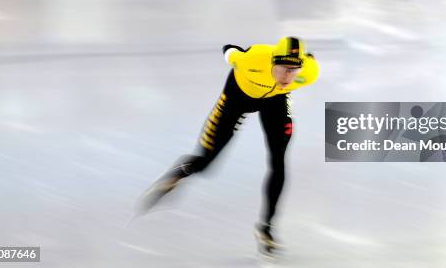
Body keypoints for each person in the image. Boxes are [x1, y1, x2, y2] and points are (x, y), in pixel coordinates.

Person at [136, 36, 319, 256]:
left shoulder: (309, 73)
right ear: (272, 62)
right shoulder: (252, 59)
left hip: (275, 103)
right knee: (206, 163)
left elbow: (308, 61)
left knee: (278, 163)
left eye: (294, 69)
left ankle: (266, 228)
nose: (288, 75)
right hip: (236, 99)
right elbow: (229, 48)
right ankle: (180, 173)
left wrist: (297, 69)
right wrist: (232, 53)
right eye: (283, 68)